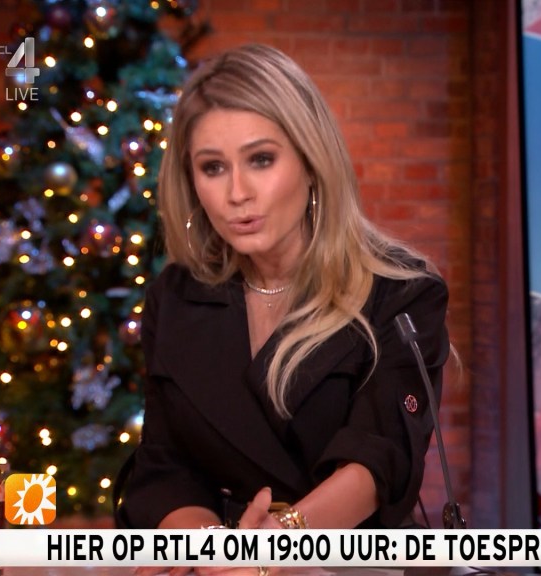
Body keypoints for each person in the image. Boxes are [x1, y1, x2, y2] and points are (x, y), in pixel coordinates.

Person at [113, 43, 450, 544]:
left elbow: (378, 459)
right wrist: (214, 550)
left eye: (261, 160)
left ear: (311, 161)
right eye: (213, 167)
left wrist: (276, 544)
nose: (237, 194)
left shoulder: (402, 292)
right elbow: (164, 465)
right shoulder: (176, 297)